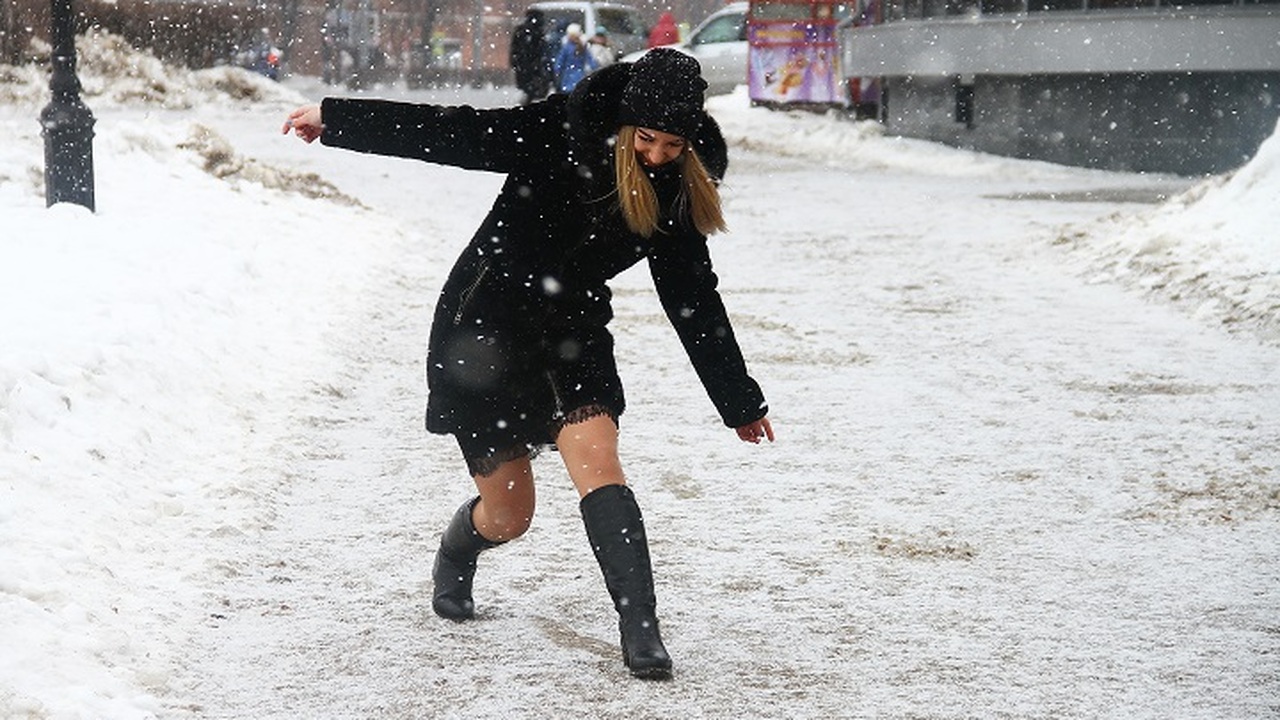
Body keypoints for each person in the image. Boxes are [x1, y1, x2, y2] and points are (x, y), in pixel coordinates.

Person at [282, 49, 774, 680]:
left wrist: (739, 400)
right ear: (625, 123)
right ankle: (460, 548)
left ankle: (641, 629)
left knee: (600, 463)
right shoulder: (556, 132)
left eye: (672, 145)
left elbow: (693, 300)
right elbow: (451, 131)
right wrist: (338, 118)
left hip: (573, 330)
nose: (655, 156)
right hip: (485, 325)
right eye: (645, 139)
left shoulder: (677, 187)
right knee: (511, 516)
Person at [510, 8, 552, 103]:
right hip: (533, 68)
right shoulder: (537, 32)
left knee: (528, 91)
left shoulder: (520, 31)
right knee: (533, 92)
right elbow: (540, 51)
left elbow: (514, 50)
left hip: (524, 67)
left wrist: (515, 63)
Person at [553, 23, 596, 93]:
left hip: (567, 77)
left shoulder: (566, 48)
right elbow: (591, 61)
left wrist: (557, 71)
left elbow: (559, 62)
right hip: (580, 76)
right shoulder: (582, 47)